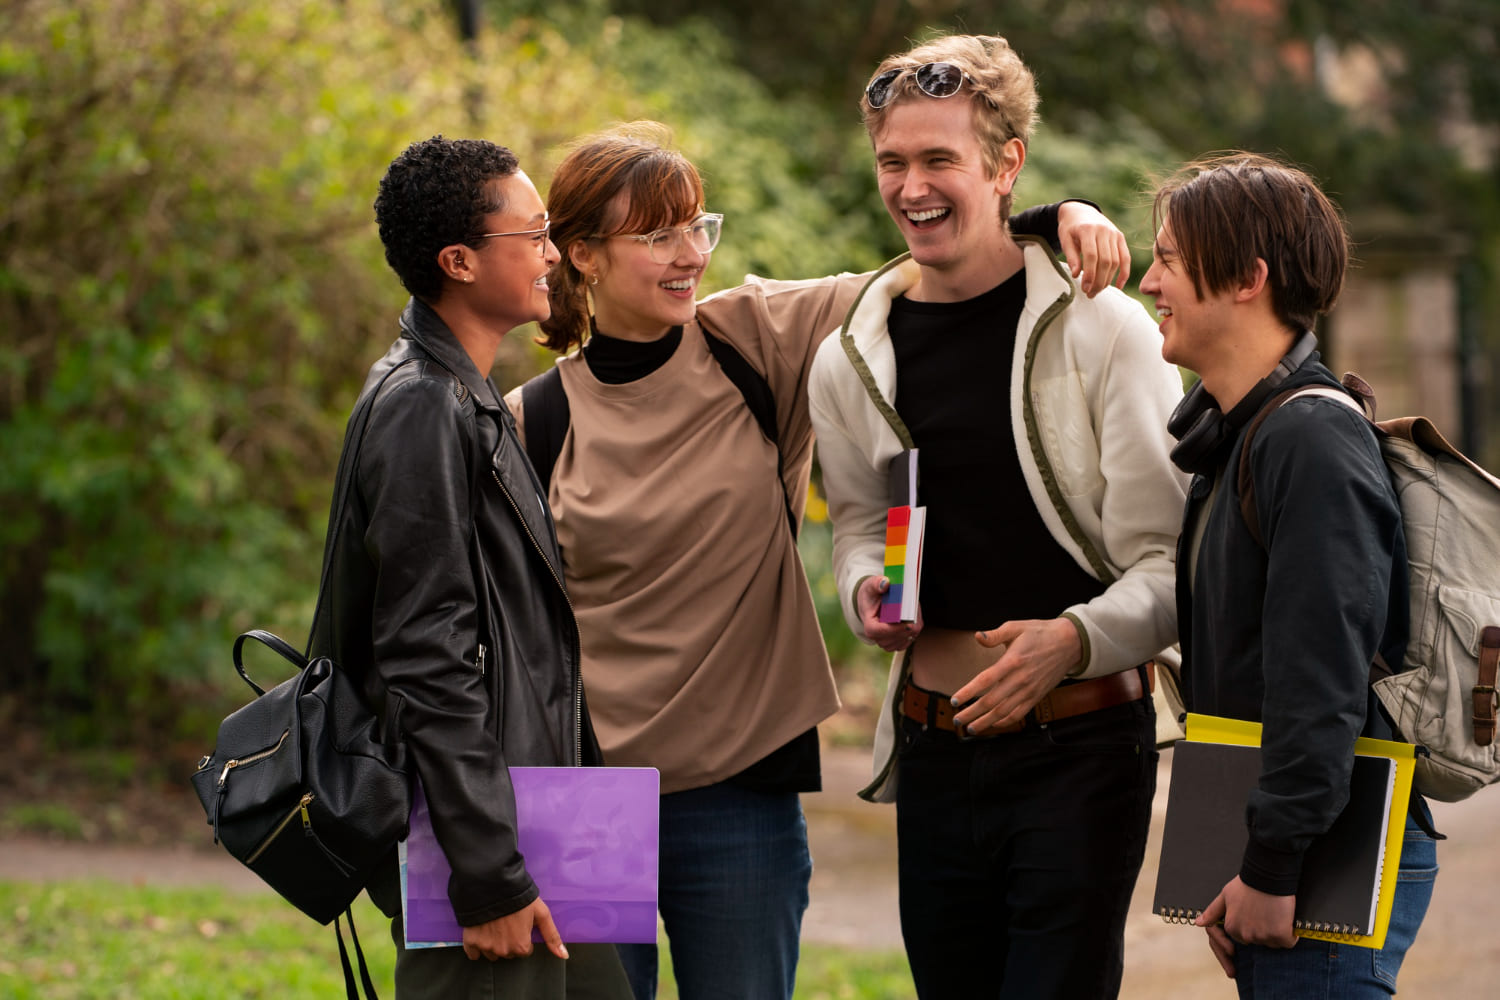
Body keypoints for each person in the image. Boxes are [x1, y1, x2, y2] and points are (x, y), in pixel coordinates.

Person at [503, 120, 1134, 1000]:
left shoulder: (754, 339)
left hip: (740, 791)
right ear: (583, 256)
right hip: (584, 795)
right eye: (657, 236)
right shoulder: (530, 422)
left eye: (697, 226)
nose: (689, 254)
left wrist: (1051, 217)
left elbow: (926, 264)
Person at [807, 34, 1190, 998]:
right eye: (894, 161)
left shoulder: (1109, 329)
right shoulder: (851, 354)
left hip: (1082, 750)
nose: (912, 186)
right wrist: (863, 591)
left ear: (1006, 163)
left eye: (940, 159)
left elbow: (1173, 563)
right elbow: (858, 525)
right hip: (931, 749)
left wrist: (1070, 641)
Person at [316, 136, 631, 999]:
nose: (554, 254)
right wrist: (488, 870)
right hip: (481, 836)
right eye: (533, 235)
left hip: (541, 815)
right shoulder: (423, 405)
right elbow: (426, 653)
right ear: (460, 261)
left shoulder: (468, 396)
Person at [1141, 152, 1438, 997]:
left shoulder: (1308, 440)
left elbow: (1320, 676)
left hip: (1324, 865)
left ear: (1247, 278)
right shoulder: (1244, 435)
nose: (1147, 280)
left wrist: (1273, 865)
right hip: (1285, 859)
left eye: (1166, 259)